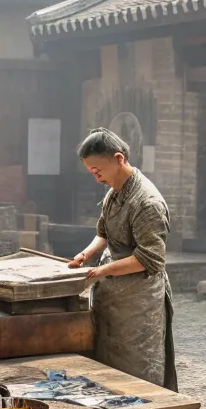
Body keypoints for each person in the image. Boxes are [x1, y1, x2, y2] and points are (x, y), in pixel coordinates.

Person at [68, 128, 177, 391]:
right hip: (111, 290)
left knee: (136, 366)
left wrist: (101, 271)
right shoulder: (114, 192)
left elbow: (148, 259)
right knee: (107, 360)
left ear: (119, 159)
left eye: (98, 171)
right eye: (92, 173)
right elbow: (103, 233)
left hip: (138, 300)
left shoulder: (147, 201)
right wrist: (86, 255)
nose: (97, 179)